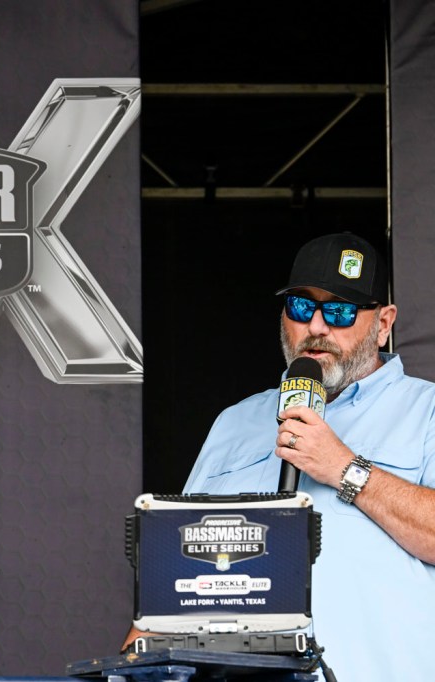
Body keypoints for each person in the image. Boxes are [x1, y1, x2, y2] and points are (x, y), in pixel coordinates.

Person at [145, 232, 434, 680]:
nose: (316, 327)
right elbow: (174, 572)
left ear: (383, 323)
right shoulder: (234, 423)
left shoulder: (427, 410)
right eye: (302, 306)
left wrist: (343, 468)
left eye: (339, 310)